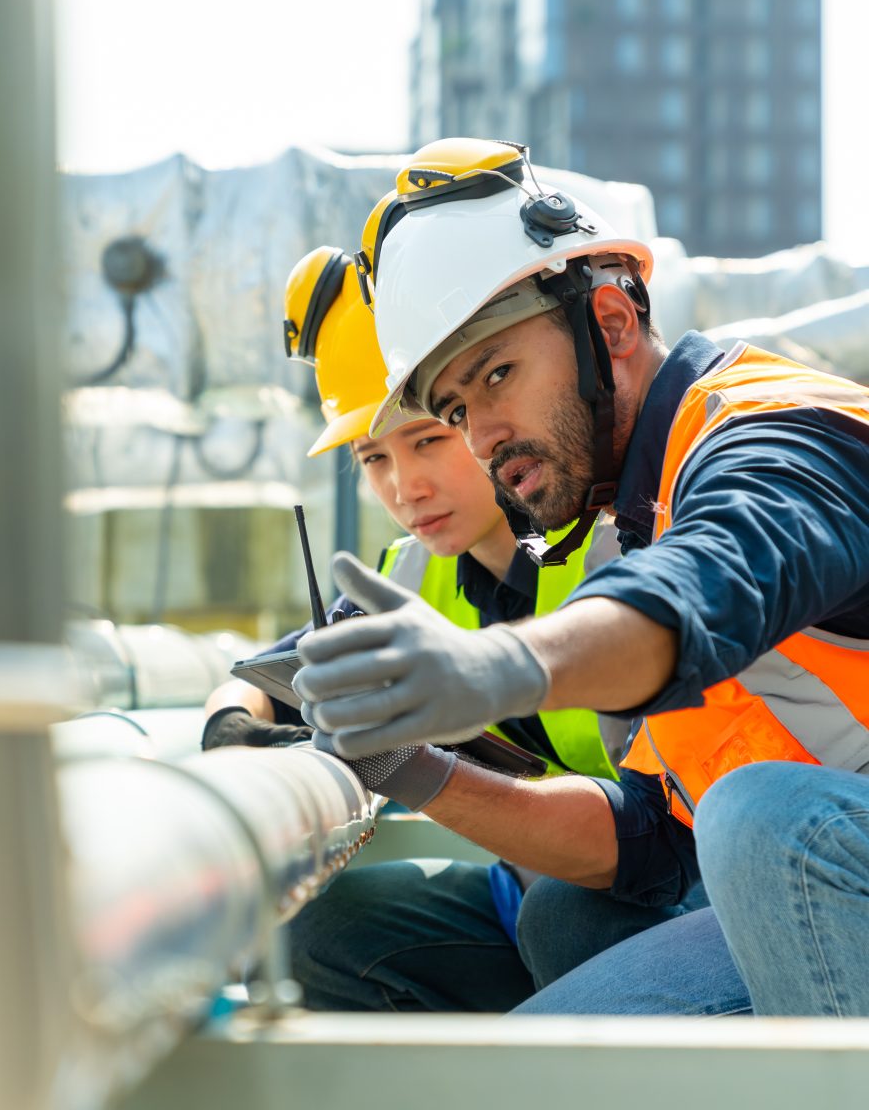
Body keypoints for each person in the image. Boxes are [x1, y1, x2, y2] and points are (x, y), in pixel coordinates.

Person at [293, 138, 869, 1018]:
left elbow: (706, 584)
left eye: (497, 375)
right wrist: (412, 769)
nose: (482, 436)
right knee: (565, 954)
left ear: (610, 324)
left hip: (812, 852)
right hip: (830, 873)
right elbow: (652, 847)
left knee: (765, 822)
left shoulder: (772, 434)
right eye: (455, 408)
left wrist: (492, 668)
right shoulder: (633, 517)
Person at [205, 242, 670, 1013]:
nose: (405, 486)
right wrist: (234, 731)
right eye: (373, 458)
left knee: (567, 922)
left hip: (673, 883)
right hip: (537, 876)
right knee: (320, 934)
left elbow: (650, 844)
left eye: (428, 439)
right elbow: (263, 679)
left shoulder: (623, 550)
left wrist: (405, 767)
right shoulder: (408, 576)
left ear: (482, 420)